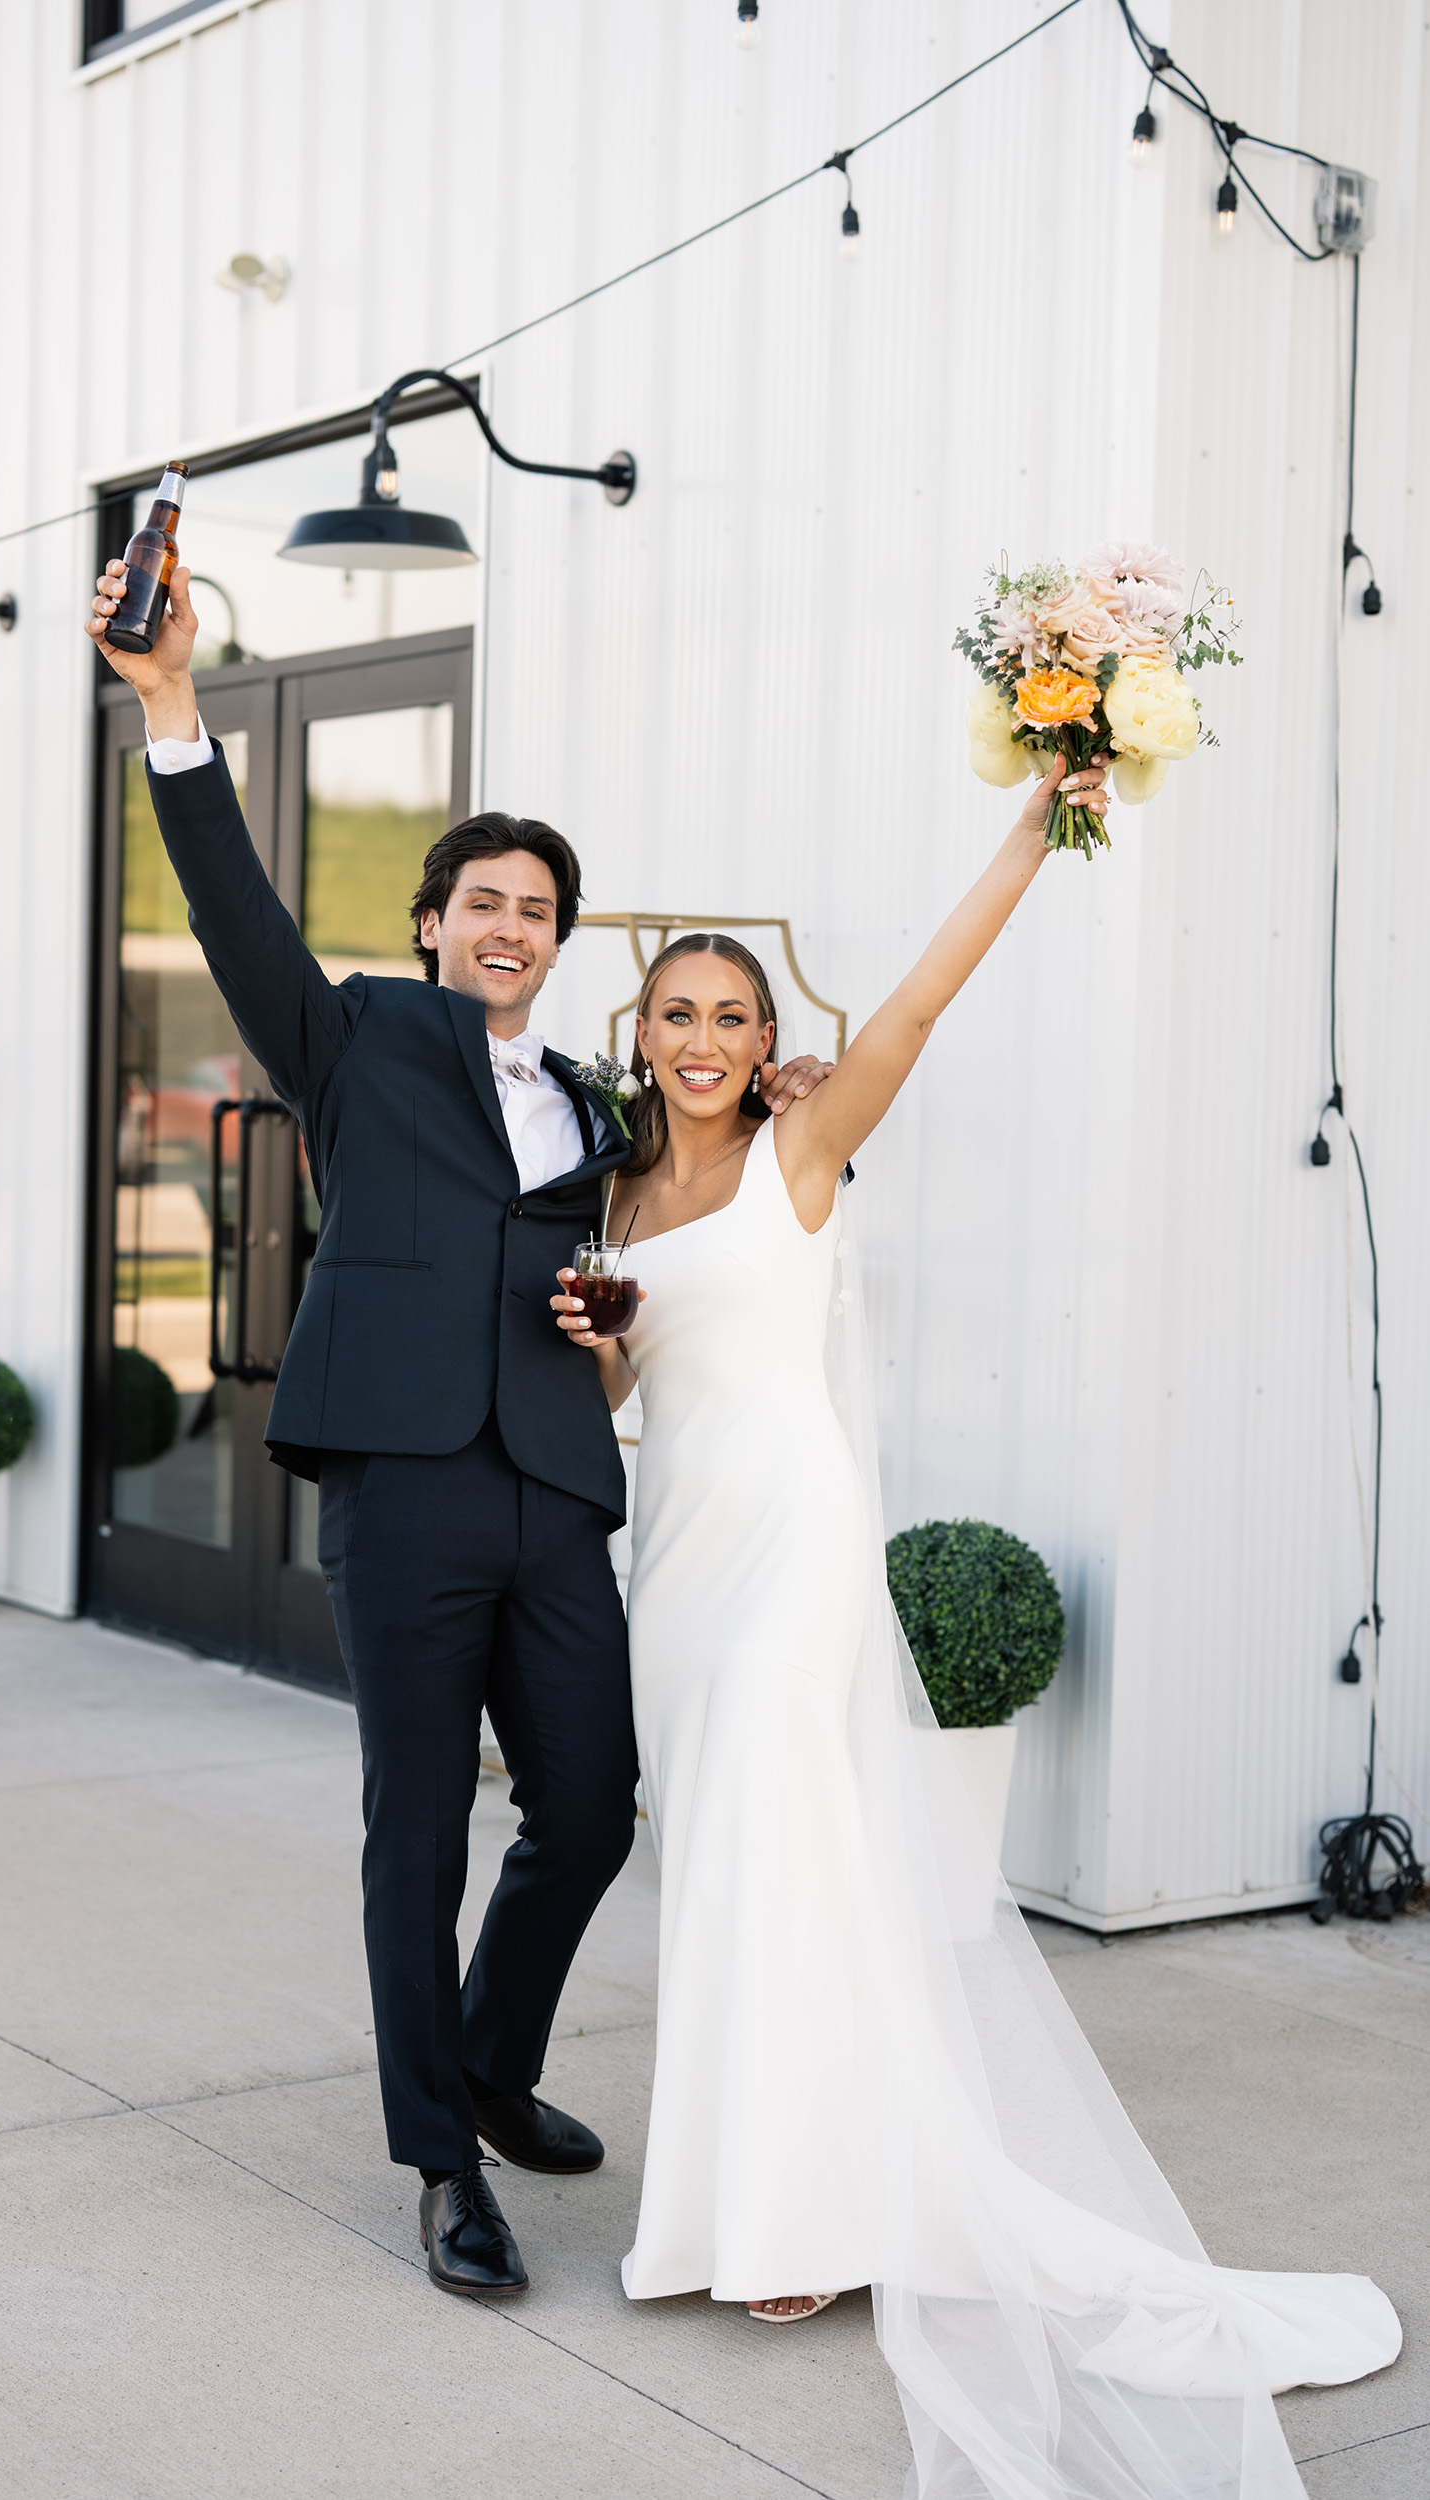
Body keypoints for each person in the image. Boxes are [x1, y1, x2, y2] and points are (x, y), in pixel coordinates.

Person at [552, 758, 1400, 2498]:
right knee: (719, 1872)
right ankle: (751, 2196)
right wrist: (595, 1341)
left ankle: (805, 2219)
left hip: (792, 1566)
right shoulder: (617, 1193)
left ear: (768, 1033)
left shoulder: (804, 1142)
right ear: (639, 1034)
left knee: (788, 1871)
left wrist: (1038, 819)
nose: (705, 1037)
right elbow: (638, 1382)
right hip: (681, 1570)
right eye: (678, 1014)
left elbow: (928, 997)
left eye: (732, 1013)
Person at [86, 554, 828, 2299]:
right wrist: (171, 706)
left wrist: (775, 1108)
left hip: (560, 1485)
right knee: (417, 1827)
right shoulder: (358, 1046)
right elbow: (232, 911)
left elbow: (692, 1200)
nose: (512, 929)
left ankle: (492, 2062)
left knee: (591, 1805)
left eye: (539, 913)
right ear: (434, 924)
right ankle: (441, 2161)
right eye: (485, 902)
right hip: (404, 1489)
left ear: (562, 946)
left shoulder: (594, 1099)